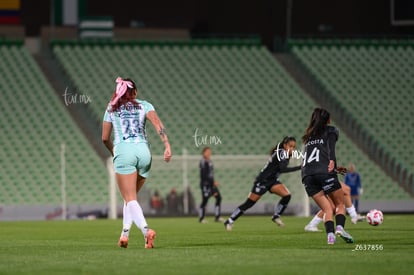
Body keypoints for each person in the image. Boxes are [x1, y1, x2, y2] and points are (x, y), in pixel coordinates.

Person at [102, 77, 172, 249]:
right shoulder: (145, 105)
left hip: (124, 151)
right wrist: (167, 145)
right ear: (135, 92)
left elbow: (104, 138)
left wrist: (115, 152)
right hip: (144, 153)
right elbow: (157, 124)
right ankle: (124, 235)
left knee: (130, 198)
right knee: (130, 199)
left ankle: (146, 231)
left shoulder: (112, 107)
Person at [224, 136, 301, 231]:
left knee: (287, 195)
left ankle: (276, 216)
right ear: (285, 145)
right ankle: (229, 221)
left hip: (272, 181)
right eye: (290, 146)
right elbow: (282, 169)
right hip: (263, 181)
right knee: (249, 203)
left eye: (294, 147)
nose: (292, 149)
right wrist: (300, 167)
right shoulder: (281, 153)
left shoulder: (285, 154)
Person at [301, 107, 353, 244]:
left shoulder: (308, 137)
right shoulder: (331, 130)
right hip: (324, 173)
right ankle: (340, 229)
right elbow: (331, 149)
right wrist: (332, 163)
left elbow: (315, 159)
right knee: (340, 205)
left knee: (326, 209)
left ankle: (330, 236)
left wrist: (334, 169)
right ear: (328, 119)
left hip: (307, 176)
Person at [199, 147, 223, 223]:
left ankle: (217, 216)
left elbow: (211, 175)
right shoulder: (203, 162)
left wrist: (213, 182)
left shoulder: (210, 161)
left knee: (218, 198)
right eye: (207, 152)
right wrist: (212, 182)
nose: (209, 153)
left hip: (211, 185)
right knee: (205, 201)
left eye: (210, 152)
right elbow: (204, 175)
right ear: (204, 153)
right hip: (205, 185)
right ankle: (201, 218)